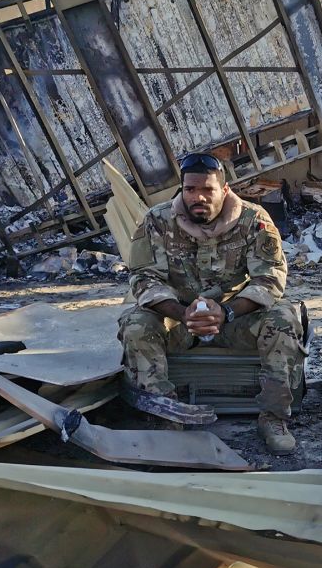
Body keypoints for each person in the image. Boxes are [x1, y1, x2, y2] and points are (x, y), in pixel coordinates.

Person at [118, 151, 305, 455]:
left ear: (225, 190)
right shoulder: (157, 221)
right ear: (182, 190)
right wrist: (182, 313)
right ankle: (166, 417)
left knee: (285, 318)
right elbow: (144, 278)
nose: (199, 197)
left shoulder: (253, 220)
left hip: (235, 320)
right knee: (135, 324)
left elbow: (270, 279)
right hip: (180, 320)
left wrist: (227, 312)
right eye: (191, 189)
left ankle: (273, 418)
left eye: (208, 189)